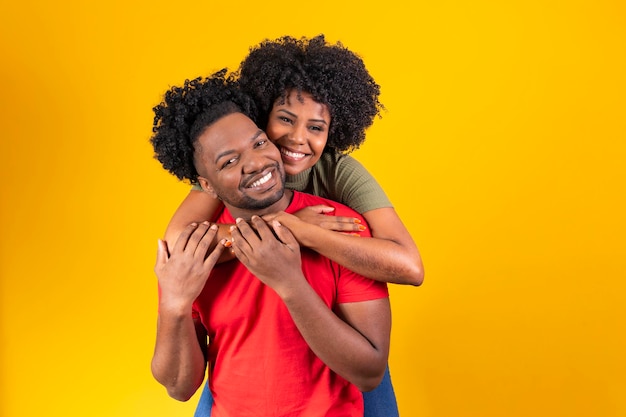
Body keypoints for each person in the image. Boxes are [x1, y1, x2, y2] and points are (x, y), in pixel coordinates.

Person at [165, 35, 423, 417]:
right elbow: (177, 245)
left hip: (335, 345)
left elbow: (410, 267)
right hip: (246, 365)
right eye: (285, 119)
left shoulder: (339, 172)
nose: (298, 138)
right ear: (259, 115)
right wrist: (281, 225)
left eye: (316, 127)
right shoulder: (225, 167)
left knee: (367, 376)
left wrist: (302, 231)